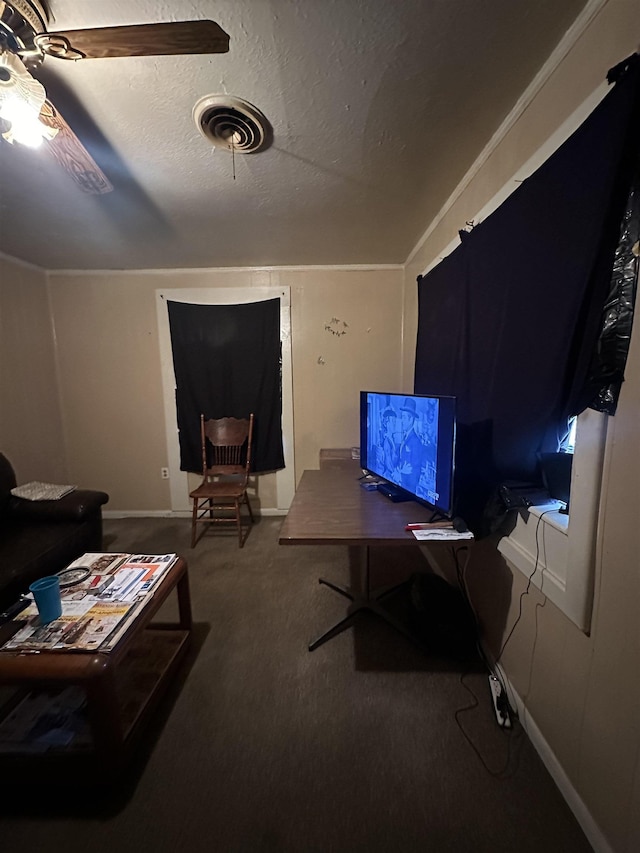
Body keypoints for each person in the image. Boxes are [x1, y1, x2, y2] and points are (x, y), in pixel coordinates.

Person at [396, 398, 424, 492]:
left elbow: (415, 472)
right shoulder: (405, 437)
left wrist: (400, 475)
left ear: (411, 419)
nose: (402, 420)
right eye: (402, 417)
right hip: (399, 485)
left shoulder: (416, 442)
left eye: (404, 417)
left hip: (407, 490)